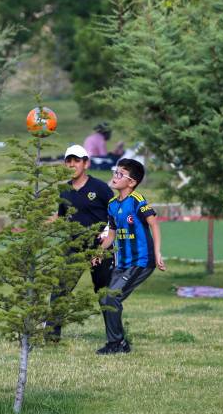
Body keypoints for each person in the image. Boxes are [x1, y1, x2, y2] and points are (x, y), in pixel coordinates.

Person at [96, 158, 165, 354]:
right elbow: (111, 234)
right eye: (114, 173)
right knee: (106, 299)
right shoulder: (111, 205)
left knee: (112, 297)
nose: (114, 177)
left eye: (120, 174)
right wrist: (99, 252)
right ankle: (117, 343)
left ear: (131, 182)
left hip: (141, 261)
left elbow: (154, 225)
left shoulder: (137, 201)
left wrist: (158, 253)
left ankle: (117, 344)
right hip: (122, 262)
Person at [46, 144, 114, 342]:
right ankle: (51, 337)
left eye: (77, 161)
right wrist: (39, 223)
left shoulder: (100, 188)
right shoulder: (64, 190)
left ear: (86, 163)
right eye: (69, 161)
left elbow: (114, 213)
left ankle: (114, 338)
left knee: (104, 293)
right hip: (73, 246)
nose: (72, 164)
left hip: (100, 247)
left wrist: (106, 237)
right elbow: (61, 216)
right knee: (60, 289)